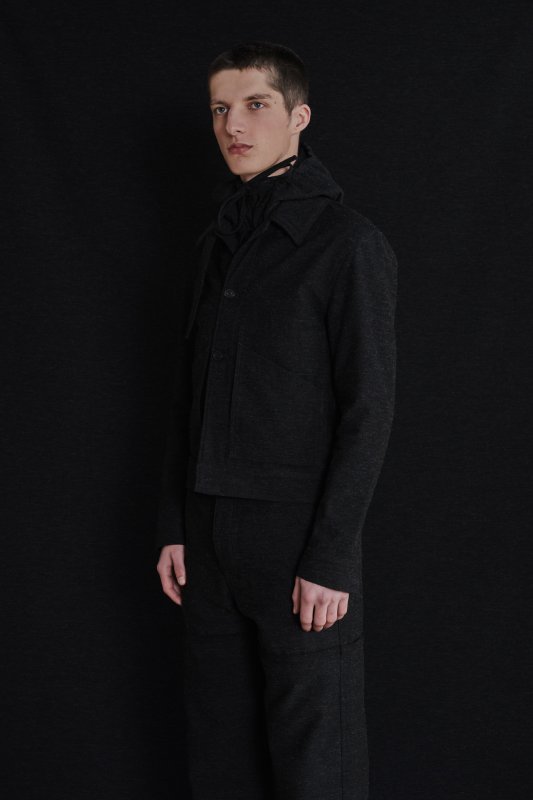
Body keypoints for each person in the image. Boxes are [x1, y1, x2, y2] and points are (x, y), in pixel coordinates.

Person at [155, 40, 398, 800]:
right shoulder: (217, 243)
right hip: (207, 543)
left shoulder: (347, 244)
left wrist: (330, 557)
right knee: (220, 757)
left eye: (255, 105)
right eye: (220, 109)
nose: (234, 125)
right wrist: (174, 522)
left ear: (299, 117)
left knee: (314, 765)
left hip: (296, 544)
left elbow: (368, 409)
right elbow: (187, 393)